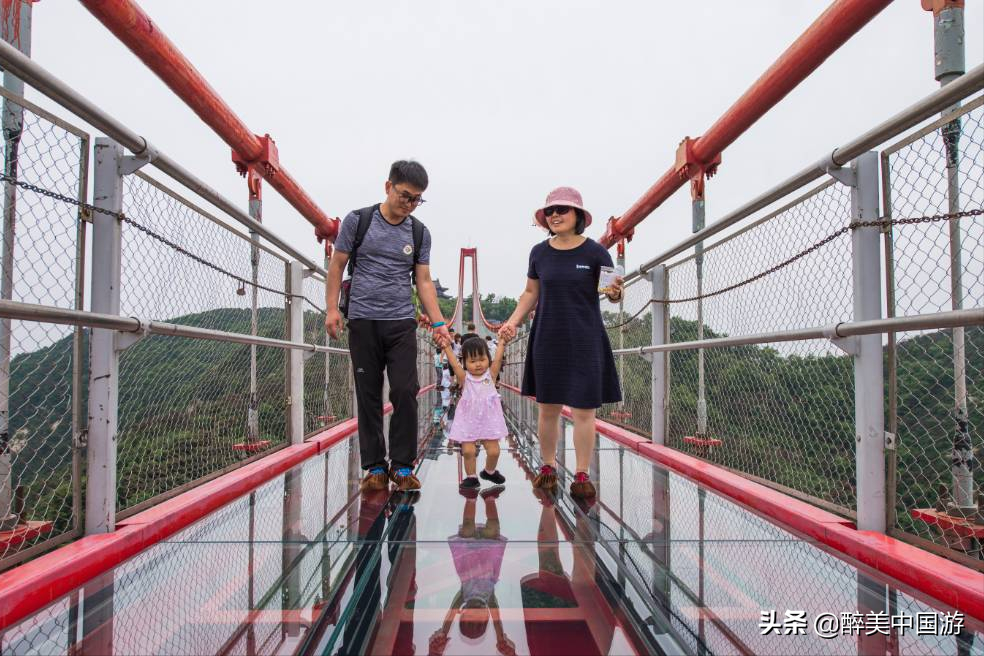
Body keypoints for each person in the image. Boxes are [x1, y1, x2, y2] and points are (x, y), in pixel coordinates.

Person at [325, 160, 451, 492]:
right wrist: (332, 309)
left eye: (417, 199)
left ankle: (403, 465)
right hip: (363, 319)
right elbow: (337, 265)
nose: (409, 204)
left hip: (400, 320)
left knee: (405, 390)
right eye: (405, 195)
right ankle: (376, 467)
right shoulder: (358, 221)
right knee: (368, 393)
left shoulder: (419, 232)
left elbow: (423, 280)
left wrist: (439, 322)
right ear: (388, 187)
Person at [498, 187, 623, 499]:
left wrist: (616, 291)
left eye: (562, 210)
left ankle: (581, 474)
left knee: (584, 410)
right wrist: (512, 322)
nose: (555, 215)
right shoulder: (539, 253)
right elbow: (531, 292)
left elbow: (611, 293)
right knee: (548, 408)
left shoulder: (596, 253)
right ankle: (548, 467)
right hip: (548, 337)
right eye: (550, 211)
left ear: (577, 215)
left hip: (585, 338)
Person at [428, 491, 514, 656]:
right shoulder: (489, 599)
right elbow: (497, 620)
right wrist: (500, 637)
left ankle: (471, 499)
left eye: (470, 617)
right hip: (488, 556)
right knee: (493, 528)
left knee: (468, 528)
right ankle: (489, 499)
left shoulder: (464, 596)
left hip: (468, 557)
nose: (476, 612)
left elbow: (451, 612)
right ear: (486, 617)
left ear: (463, 612)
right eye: (479, 618)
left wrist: (444, 632)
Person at [442, 335, 511, 491]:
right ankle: (471, 477)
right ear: (465, 363)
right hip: (468, 420)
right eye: (472, 361)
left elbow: (498, 359)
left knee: (494, 451)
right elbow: (454, 363)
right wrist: (446, 347)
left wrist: (501, 343)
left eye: (482, 359)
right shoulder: (464, 378)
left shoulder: (491, 376)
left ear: (488, 359)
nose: (478, 364)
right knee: (468, 451)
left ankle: (489, 471)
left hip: (489, 420)